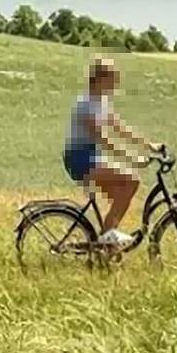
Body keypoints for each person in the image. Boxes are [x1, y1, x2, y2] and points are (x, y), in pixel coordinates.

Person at [64, 57, 164, 247]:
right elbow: (104, 139)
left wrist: (149, 145)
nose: (115, 83)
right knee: (132, 180)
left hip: (92, 157)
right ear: (100, 79)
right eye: (112, 78)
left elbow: (120, 128)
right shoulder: (86, 104)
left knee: (119, 193)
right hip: (80, 160)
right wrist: (132, 159)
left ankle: (106, 244)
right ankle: (107, 239)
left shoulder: (101, 101)